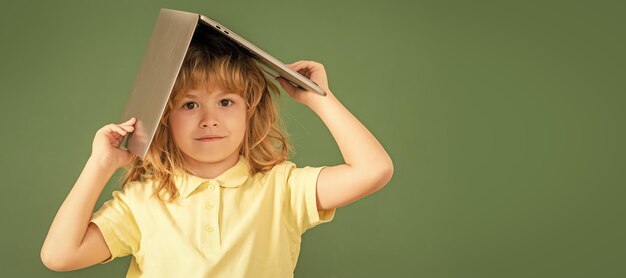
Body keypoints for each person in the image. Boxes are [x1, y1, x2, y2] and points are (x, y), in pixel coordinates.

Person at [40, 27, 393, 277]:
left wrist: (321, 100)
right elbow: (59, 256)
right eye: (190, 105)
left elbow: (373, 170)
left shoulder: (281, 188)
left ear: (249, 110)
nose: (210, 119)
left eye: (226, 101)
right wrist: (100, 164)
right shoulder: (143, 200)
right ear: (166, 119)